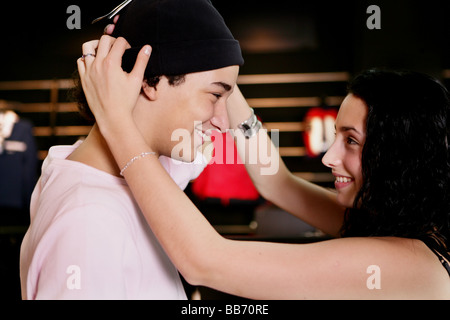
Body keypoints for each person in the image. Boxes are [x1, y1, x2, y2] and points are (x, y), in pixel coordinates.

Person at [78, 32, 450, 299]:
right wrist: (216, 61)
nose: (328, 157)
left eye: (351, 141)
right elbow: (278, 183)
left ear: (396, 156)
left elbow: (206, 261)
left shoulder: (409, 263)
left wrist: (116, 121)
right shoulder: (388, 220)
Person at [19, 0, 244, 299]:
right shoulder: (90, 223)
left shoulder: (146, 171)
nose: (224, 124)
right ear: (151, 81)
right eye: (215, 95)